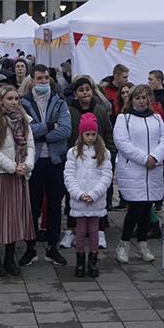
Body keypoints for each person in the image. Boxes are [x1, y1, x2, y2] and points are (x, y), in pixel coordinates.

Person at [18, 65, 72, 268]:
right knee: (31, 206)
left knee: (55, 205)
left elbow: (66, 130)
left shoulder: (59, 102)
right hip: (33, 161)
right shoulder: (23, 103)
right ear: (32, 80)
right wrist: (50, 126)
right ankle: (30, 247)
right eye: (39, 78)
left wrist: (39, 133)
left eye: (46, 78)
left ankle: (52, 246)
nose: (43, 82)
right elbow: (24, 131)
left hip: (55, 161)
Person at [0, 86, 36, 278]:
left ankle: (10, 257)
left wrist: (26, 165)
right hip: (1, 174)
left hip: (19, 176)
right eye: (10, 98)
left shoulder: (24, 120)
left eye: (16, 99)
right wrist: (12, 166)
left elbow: (30, 146)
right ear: (1, 100)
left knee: (14, 218)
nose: (14, 102)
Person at [113, 84, 164, 264]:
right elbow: (122, 143)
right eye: (138, 98)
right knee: (136, 207)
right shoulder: (124, 118)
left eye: (144, 97)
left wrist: (156, 156)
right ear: (131, 100)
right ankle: (123, 243)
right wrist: (145, 158)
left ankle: (142, 244)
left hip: (153, 170)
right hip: (135, 168)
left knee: (147, 207)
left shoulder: (156, 118)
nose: (142, 101)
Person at [64, 113, 111, 279]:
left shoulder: (103, 153)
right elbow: (69, 175)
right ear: (81, 134)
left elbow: (106, 176)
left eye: (93, 134)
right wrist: (79, 194)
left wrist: (94, 194)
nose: (90, 138)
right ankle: (80, 261)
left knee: (94, 231)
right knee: (80, 230)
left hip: (95, 200)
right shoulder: (73, 153)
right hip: (79, 200)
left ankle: (93, 260)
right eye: (87, 134)